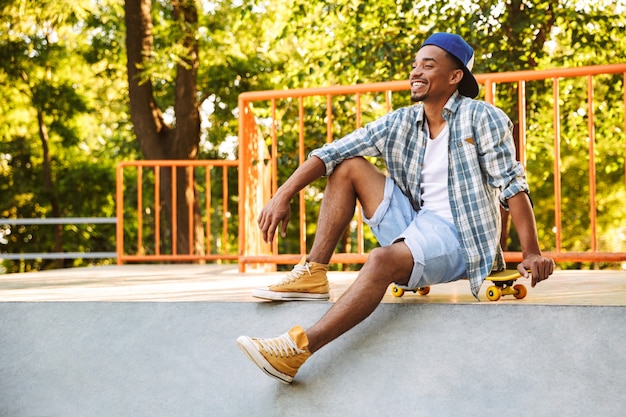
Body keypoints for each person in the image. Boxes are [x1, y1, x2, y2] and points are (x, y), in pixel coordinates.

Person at [237, 32, 555, 384]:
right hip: (417, 223)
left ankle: (298, 349)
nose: (416, 72)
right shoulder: (402, 121)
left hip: (460, 239)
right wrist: (284, 193)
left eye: (428, 65)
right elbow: (331, 151)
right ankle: (313, 272)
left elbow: (512, 183)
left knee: (380, 260)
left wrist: (532, 251)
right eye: (415, 65)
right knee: (348, 166)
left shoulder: (482, 118)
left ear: (455, 76)